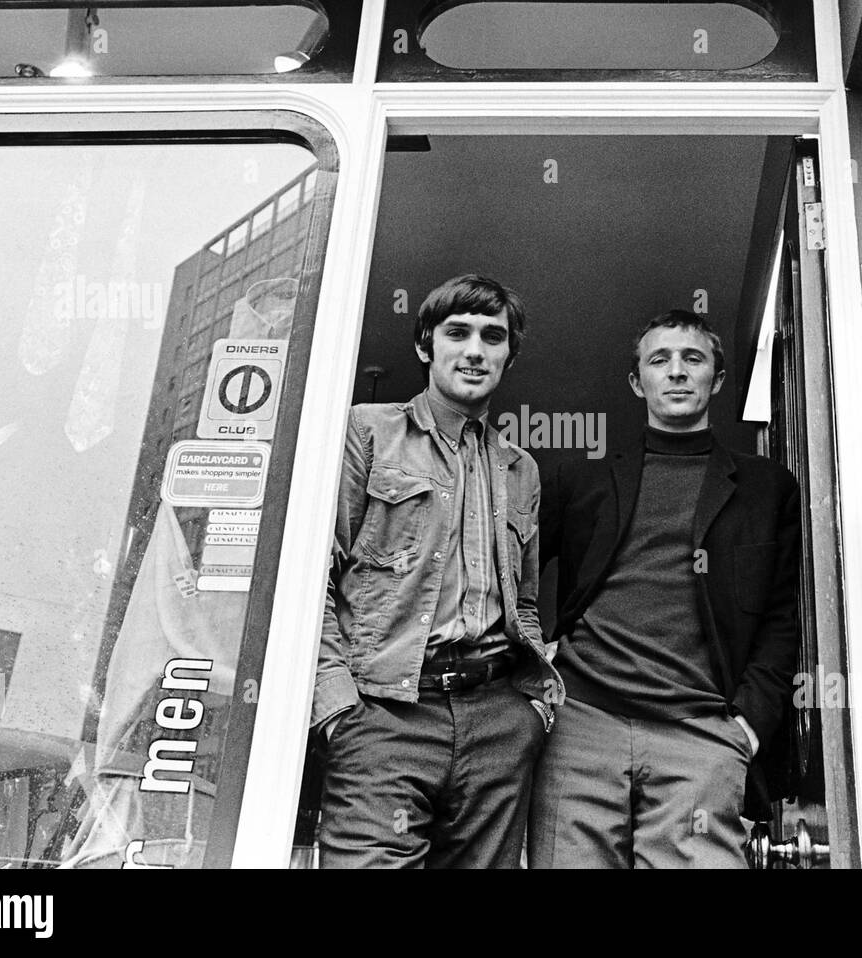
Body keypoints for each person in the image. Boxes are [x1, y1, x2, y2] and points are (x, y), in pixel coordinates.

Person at [530, 309, 800, 868]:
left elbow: (781, 616)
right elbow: (509, 575)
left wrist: (749, 723)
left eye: (693, 359)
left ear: (717, 380)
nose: (677, 371)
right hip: (583, 724)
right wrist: (533, 655)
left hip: (702, 732)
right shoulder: (581, 478)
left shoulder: (765, 487)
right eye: (660, 360)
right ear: (638, 382)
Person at [312, 274, 562, 868]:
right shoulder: (366, 430)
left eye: (492, 337)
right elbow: (313, 580)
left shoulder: (519, 467)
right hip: (386, 714)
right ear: (426, 346)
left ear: (510, 355)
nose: (475, 350)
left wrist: (531, 709)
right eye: (458, 332)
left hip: (497, 719)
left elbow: (522, 603)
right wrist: (338, 709)